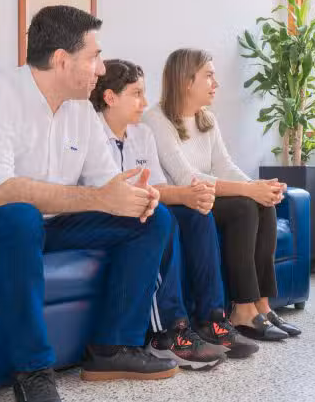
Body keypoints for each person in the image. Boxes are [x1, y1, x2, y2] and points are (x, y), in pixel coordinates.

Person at [0, 6, 179, 402]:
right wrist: (101, 197)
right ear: (62, 60)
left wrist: (135, 196)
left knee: (153, 218)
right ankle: (33, 370)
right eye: (94, 57)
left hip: (49, 223)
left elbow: (106, 183)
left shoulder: (82, 110)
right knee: (20, 217)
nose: (101, 68)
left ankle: (113, 347)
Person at [90, 59, 259, 368]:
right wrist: (173, 195)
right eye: (136, 94)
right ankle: (169, 333)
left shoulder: (141, 134)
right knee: (159, 221)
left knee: (197, 214)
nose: (144, 102)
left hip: (143, 205)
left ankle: (212, 319)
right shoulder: (91, 133)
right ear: (110, 98)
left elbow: (157, 186)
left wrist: (187, 196)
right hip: (110, 214)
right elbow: (112, 194)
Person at [143, 48, 301, 341]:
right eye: (209, 76)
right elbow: (187, 178)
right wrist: (248, 190)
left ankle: (262, 306)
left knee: (262, 204)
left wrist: (259, 188)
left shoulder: (207, 119)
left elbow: (225, 166)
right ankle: (242, 311)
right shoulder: (155, 119)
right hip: (184, 202)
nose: (215, 84)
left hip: (209, 196)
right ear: (186, 81)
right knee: (244, 206)